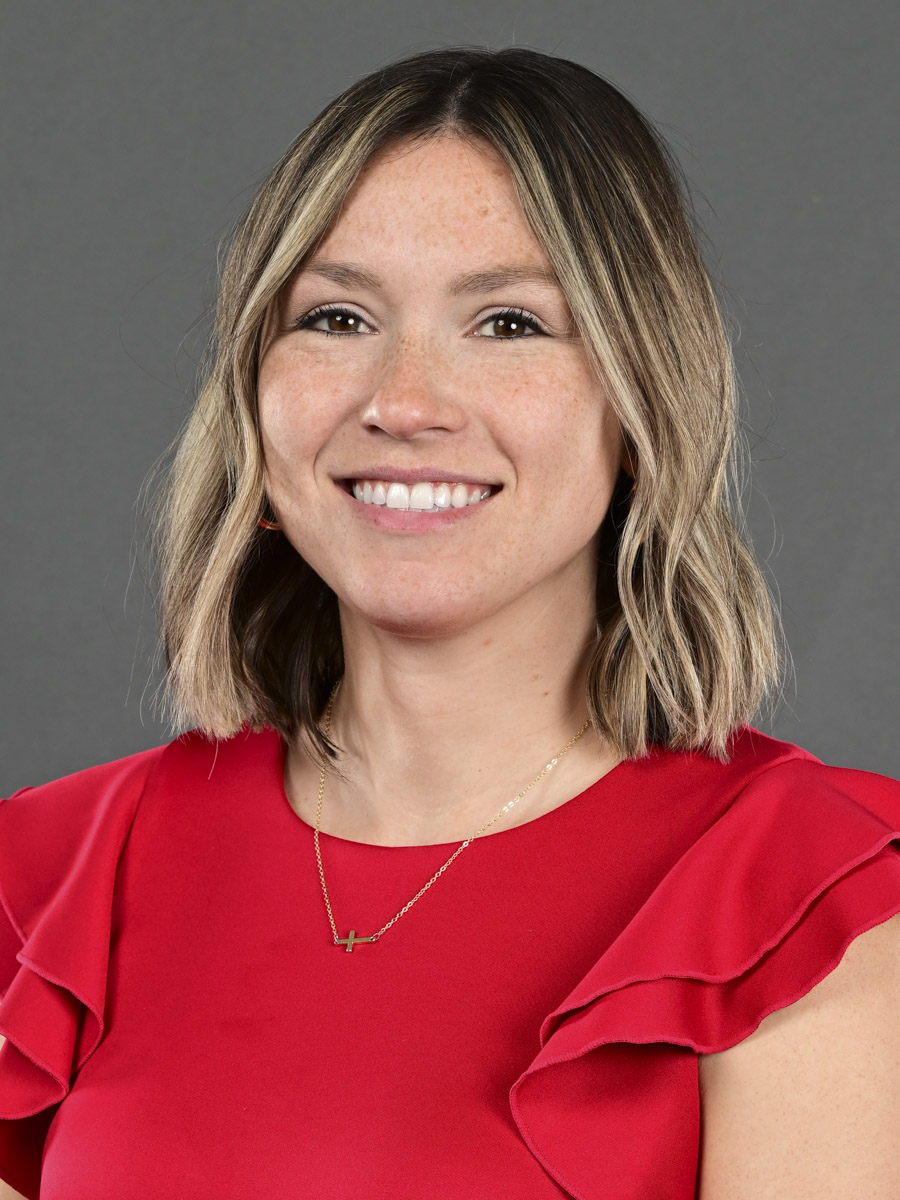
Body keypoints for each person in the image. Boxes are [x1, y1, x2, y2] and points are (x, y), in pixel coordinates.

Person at [0, 45, 898, 1200]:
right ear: (253, 397)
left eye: (511, 325)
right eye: (334, 316)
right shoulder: (49, 879)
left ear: (640, 402)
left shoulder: (800, 902)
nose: (404, 401)